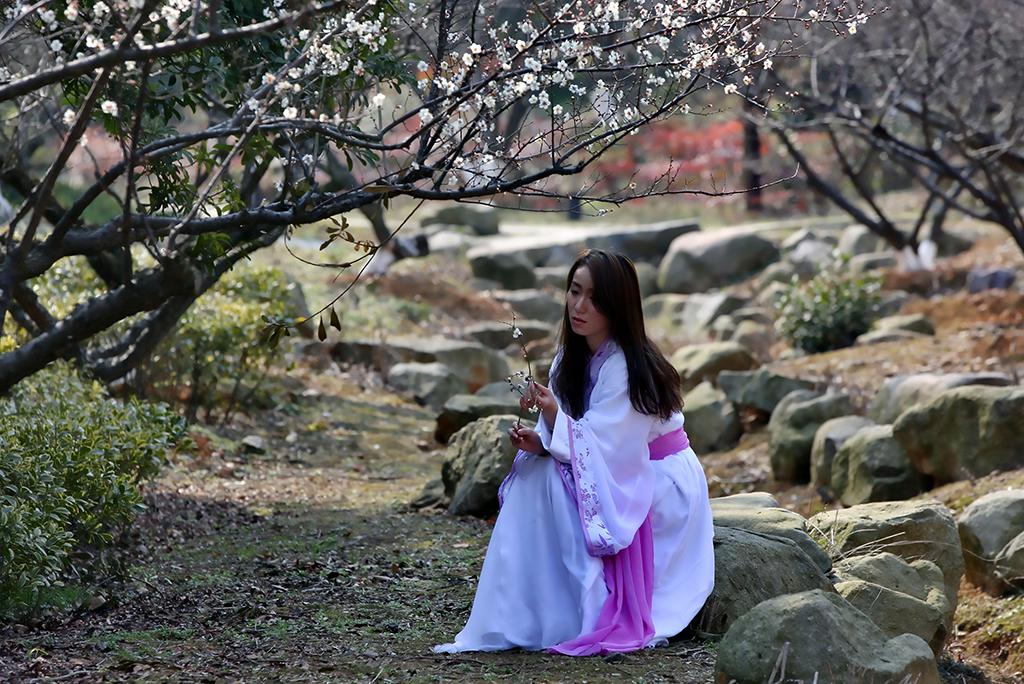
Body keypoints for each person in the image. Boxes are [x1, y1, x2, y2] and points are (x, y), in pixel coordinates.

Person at [433, 249, 715, 656]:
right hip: (614, 463)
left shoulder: (626, 365)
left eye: (595, 298)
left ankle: (579, 608)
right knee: (532, 471)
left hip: (656, 477)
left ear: (617, 305)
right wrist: (541, 440)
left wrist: (553, 418)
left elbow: (609, 443)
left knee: (550, 481)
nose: (579, 306)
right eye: (575, 291)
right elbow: (576, 435)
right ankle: (525, 610)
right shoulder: (572, 355)